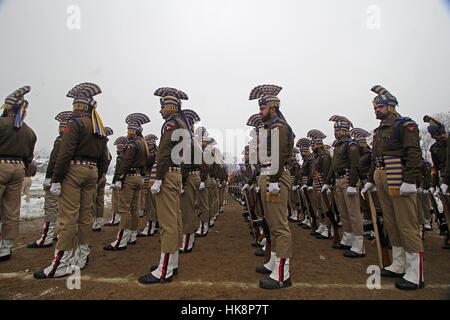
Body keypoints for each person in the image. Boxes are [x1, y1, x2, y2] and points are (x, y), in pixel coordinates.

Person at [34, 82, 108, 278]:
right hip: (92, 171)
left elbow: (64, 153)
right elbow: (104, 157)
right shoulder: (98, 126)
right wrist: (98, 174)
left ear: (78, 106)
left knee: (68, 218)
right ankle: (81, 256)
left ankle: (62, 263)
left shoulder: (74, 123)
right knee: (85, 217)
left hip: (74, 171)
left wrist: (56, 178)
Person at [361, 85, 423, 290]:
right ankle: (399, 263)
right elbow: (375, 157)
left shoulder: (404, 125)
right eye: (375, 107)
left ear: (392, 106)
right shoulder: (379, 130)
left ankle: (415, 273)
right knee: (391, 222)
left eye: (380, 107)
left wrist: (410, 180)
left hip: (397, 173)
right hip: (381, 174)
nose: (377, 110)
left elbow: (414, 153)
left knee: (406, 223)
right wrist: (370, 178)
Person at [138, 87, 189, 284]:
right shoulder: (183, 124)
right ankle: (172, 263)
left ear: (170, 107)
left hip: (167, 174)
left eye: (162, 107)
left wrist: (158, 178)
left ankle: (165, 269)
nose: (160, 111)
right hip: (175, 174)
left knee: (167, 224)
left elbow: (164, 152)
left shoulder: (171, 124)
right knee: (174, 221)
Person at [250, 84, 294, 289]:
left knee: (279, 226)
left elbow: (279, 156)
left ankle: (283, 274)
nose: (260, 113)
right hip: (268, 175)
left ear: (273, 108)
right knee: (271, 224)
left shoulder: (279, 128)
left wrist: (274, 180)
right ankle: (274, 262)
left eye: (262, 109)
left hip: (275, 176)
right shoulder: (271, 128)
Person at [0, 86, 37, 261]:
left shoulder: (1, 124)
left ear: (8, 108)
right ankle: (6, 247)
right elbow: (29, 157)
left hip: (1, 166)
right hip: (18, 169)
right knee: (11, 209)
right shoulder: (30, 132)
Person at [104, 114, 149, 250]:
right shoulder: (143, 144)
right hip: (139, 177)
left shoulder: (132, 144)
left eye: (129, 130)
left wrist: (119, 178)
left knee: (124, 210)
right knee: (134, 209)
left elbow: (126, 161)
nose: (127, 133)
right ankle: (132, 235)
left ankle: (121, 240)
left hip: (129, 177)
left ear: (132, 130)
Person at [28, 111, 73, 248]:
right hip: (68, 178)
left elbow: (54, 160)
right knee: (63, 209)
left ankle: (47, 237)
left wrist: (48, 177)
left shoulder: (60, 140)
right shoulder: (73, 141)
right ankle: (59, 233)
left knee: (51, 207)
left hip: (56, 177)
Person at [323, 115, 365, 257]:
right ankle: (348, 239)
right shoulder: (337, 145)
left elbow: (355, 165)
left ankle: (359, 245)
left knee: (353, 213)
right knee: (343, 212)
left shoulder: (350, 144)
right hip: (338, 179)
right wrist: (327, 182)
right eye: (335, 130)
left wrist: (353, 183)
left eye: (339, 130)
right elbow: (333, 166)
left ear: (346, 131)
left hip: (348, 178)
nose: (336, 132)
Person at [92, 126, 113, 232]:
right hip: (103, 175)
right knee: (99, 200)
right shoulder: (106, 148)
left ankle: (92, 221)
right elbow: (109, 158)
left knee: (91, 200)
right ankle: (99, 221)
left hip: (97, 175)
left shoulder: (100, 145)